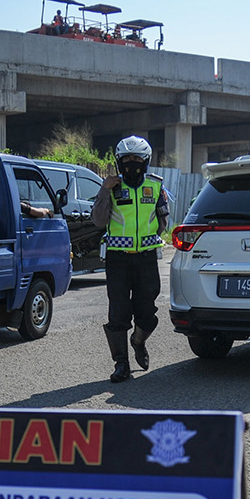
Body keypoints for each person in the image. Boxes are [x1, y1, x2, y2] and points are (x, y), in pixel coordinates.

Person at [91, 135, 169, 383]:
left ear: (145, 161)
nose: (131, 163)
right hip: (118, 261)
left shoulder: (156, 187)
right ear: (119, 161)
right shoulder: (111, 188)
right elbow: (99, 221)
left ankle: (138, 341)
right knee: (118, 313)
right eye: (126, 159)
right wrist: (105, 190)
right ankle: (121, 364)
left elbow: (162, 222)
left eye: (136, 159)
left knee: (147, 312)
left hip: (146, 260)